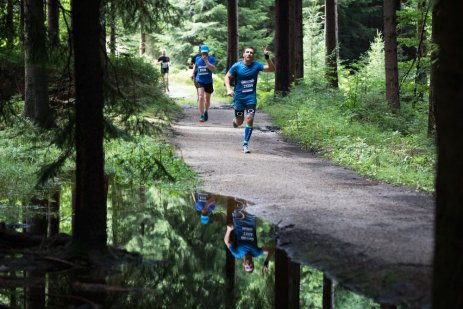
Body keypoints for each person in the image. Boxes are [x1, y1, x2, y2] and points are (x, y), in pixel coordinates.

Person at [224, 47, 275, 153]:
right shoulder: (237, 66)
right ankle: (235, 121)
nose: (249, 54)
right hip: (239, 98)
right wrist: (229, 89)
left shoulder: (256, 65)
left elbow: (272, 69)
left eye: (251, 53)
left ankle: (245, 144)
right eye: (247, 52)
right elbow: (227, 77)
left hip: (251, 98)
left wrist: (267, 57)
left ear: (253, 56)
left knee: (250, 118)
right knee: (240, 121)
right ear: (243, 54)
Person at [192, 44, 216, 122]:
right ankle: (202, 115)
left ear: (208, 52)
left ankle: (206, 111)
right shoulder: (197, 58)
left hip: (208, 81)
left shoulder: (211, 58)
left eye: (205, 52)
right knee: (201, 97)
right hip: (200, 80)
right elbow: (196, 66)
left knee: (207, 99)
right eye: (203, 52)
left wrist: (206, 61)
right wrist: (192, 74)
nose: (204, 54)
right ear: (200, 52)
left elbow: (213, 69)